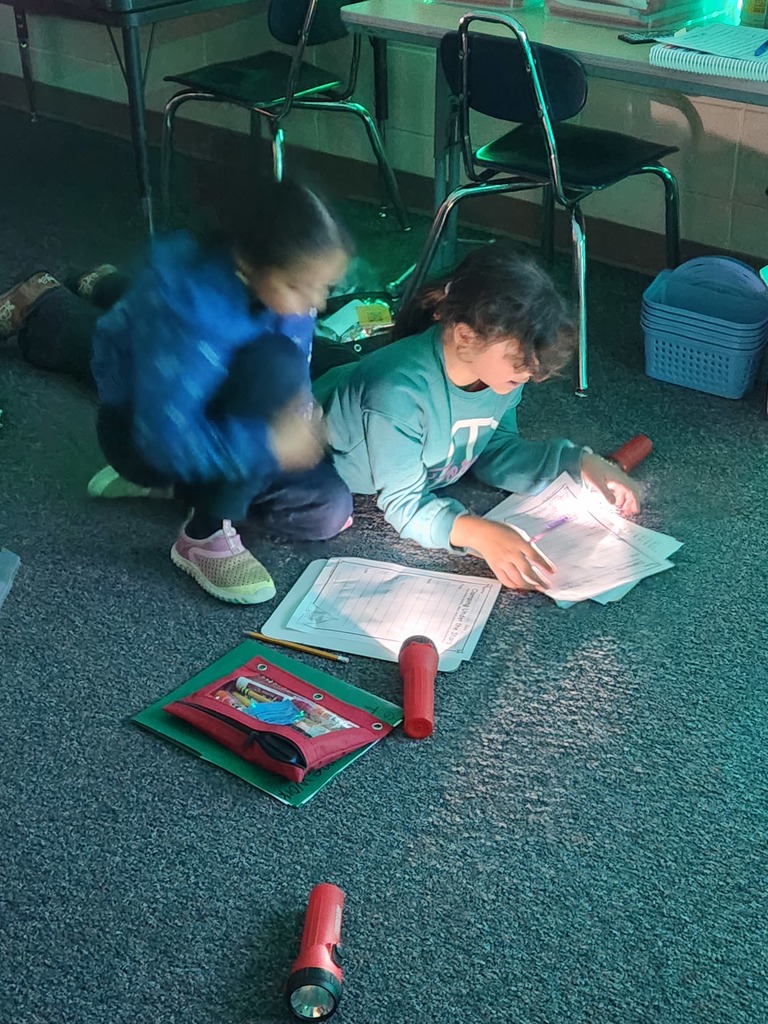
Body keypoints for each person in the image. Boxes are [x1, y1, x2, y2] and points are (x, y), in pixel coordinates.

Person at [0, 175, 355, 604]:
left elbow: (295, 355)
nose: (318, 303)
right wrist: (269, 446)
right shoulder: (190, 318)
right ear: (249, 261)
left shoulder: (280, 286)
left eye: (325, 287)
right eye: (302, 286)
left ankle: (99, 283)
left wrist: (301, 412)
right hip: (144, 438)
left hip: (216, 408)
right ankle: (203, 538)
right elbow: (165, 437)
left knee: (327, 509)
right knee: (269, 366)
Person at [314, 244, 642, 591]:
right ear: (466, 336)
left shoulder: (504, 375)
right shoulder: (395, 393)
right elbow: (405, 506)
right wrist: (479, 534)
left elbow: (490, 449)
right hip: (307, 443)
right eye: (519, 360)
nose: (534, 375)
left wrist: (579, 463)